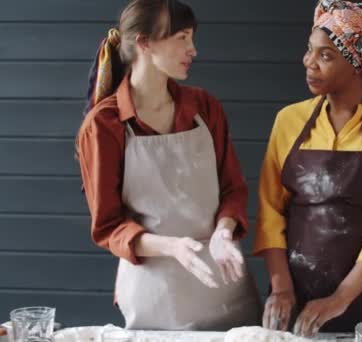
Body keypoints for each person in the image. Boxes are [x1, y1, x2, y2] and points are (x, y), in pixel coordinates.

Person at [76, 0, 261, 330]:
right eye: (182, 37)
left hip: (223, 286)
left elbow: (233, 188)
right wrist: (173, 247)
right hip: (155, 297)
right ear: (145, 43)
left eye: (192, 38)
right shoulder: (104, 125)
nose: (193, 49)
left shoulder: (206, 107)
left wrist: (223, 232)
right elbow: (108, 227)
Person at [254, 0, 362, 336]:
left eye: (326, 55)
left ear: (358, 64)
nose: (309, 63)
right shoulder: (288, 120)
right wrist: (282, 288)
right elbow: (270, 212)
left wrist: (341, 297)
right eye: (309, 50)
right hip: (294, 295)